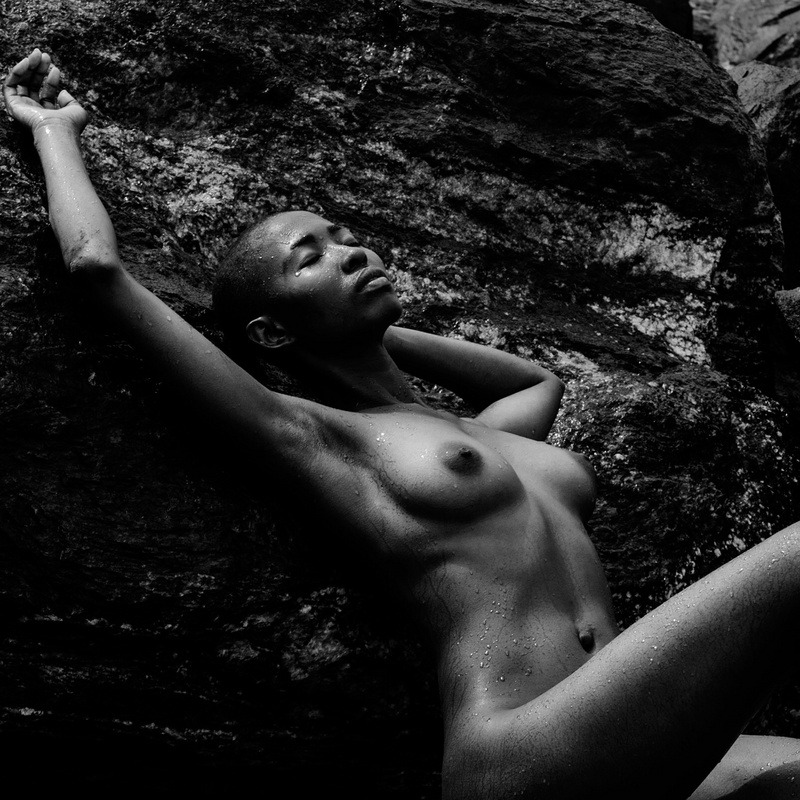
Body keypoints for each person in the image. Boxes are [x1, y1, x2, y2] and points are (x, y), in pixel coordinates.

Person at [5, 47, 800, 800]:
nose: (352, 252)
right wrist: (54, 129)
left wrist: (381, 329)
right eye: (311, 257)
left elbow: (539, 378)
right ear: (272, 332)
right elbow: (96, 269)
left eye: (348, 239)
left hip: (636, 737)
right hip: (526, 752)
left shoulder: (492, 430)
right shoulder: (317, 437)